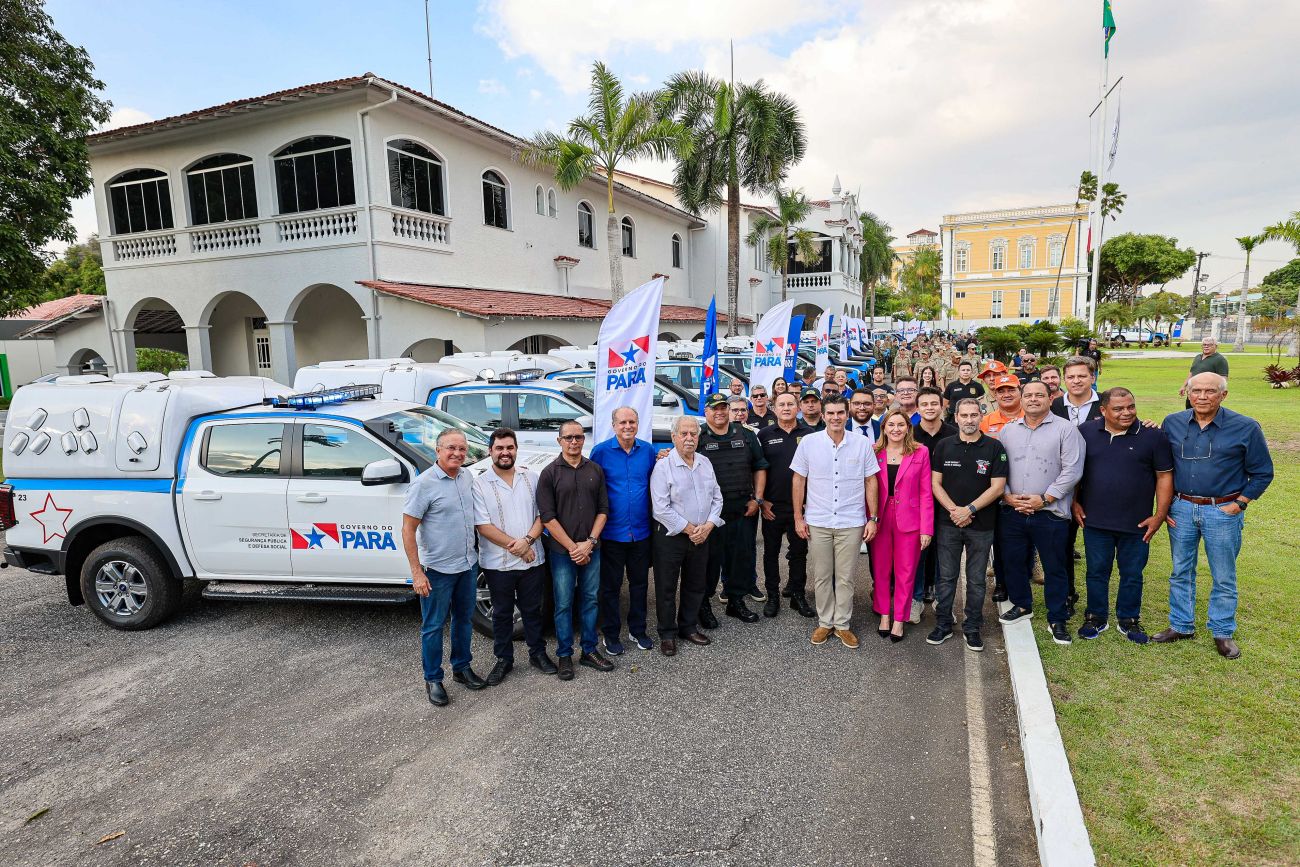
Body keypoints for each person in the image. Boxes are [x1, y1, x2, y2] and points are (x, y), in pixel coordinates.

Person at [1158, 372, 1273, 659]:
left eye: (1210, 391)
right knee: (1180, 570)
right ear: (1188, 393)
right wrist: (1165, 506)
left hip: (1222, 510)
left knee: (1223, 574)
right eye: (1196, 390)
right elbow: (1160, 465)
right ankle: (1181, 625)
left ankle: (1222, 631)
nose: (1202, 396)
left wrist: (1240, 503)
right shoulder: (1172, 423)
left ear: (1223, 395)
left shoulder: (1245, 427)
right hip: (1181, 508)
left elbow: (1263, 472)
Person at [1073, 387, 1173, 644]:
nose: (1126, 413)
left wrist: (1159, 515)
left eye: (1131, 406)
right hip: (1096, 520)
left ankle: (1128, 619)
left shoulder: (1153, 436)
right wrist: (1074, 502)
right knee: (1096, 571)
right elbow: (1074, 470)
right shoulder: (1085, 432)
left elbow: (1164, 476)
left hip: (1137, 522)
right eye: (1118, 409)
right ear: (1103, 410)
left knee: (1132, 573)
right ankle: (1096, 617)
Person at [996, 380, 1085, 645]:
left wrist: (1044, 499)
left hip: (1050, 513)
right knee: (1014, 562)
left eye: (1039, 395)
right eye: (1028, 395)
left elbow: (1073, 470)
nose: (1033, 399)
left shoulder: (1066, 430)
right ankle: (1022, 604)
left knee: (1055, 566)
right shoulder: (1008, 431)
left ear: (1050, 398)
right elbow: (999, 468)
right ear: (1021, 399)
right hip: (1013, 511)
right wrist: (1007, 496)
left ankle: (1057, 617)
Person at [792, 395, 880, 648]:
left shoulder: (862, 444)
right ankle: (825, 622)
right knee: (822, 575)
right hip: (818, 520)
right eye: (830, 413)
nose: (835, 417)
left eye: (840, 412)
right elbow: (799, 480)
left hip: (851, 520)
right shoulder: (809, 443)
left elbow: (870, 480)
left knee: (845, 577)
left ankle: (842, 624)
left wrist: (872, 518)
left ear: (847, 414)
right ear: (823, 415)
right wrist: (798, 517)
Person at [402, 429, 482, 707]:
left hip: (467, 564)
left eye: (462, 449)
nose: (457, 453)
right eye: (451, 448)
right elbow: (408, 529)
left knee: (463, 620)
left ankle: (462, 667)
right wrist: (417, 573)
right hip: (437, 570)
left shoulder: (466, 476)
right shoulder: (423, 484)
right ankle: (433, 678)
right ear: (438, 451)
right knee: (433, 626)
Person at [473, 428, 553, 687]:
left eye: (509, 447)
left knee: (533, 610)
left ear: (516, 450)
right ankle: (504, 659)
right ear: (490, 451)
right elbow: (483, 525)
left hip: (532, 558)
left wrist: (527, 541)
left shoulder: (532, 478)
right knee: (502, 613)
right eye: (499, 448)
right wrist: (517, 546)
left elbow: (543, 515)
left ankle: (537, 654)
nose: (505, 453)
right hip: (498, 563)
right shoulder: (480, 484)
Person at [928, 398, 1008, 650]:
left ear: (981, 416)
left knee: (976, 579)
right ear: (956, 417)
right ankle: (943, 624)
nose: (969, 420)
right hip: (948, 523)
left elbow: (998, 487)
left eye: (974, 415)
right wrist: (954, 510)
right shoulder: (944, 446)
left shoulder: (994, 447)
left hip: (981, 525)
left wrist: (969, 509)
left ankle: (972, 627)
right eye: (964, 415)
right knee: (946, 577)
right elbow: (935, 483)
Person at [537, 420, 614, 679]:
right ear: (559, 440)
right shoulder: (549, 474)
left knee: (591, 599)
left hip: (592, 548)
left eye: (578, 437)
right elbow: (547, 517)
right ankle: (564, 655)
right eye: (568, 437)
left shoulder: (595, 470)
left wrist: (589, 543)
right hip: (563, 552)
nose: (574, 442)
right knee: (563, 603)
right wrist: (573, 548)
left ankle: (589, 650)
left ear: (583, 440)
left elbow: (604, 509)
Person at [650, 415, 725, 656]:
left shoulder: (705, 462)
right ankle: (667, 633)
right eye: (684, 434)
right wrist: (691, 529)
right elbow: (660, 508)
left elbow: (717, 498)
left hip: (702, 535)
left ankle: (688, 627)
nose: (689, 438)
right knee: (666, 587)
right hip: (671, 537)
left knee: (695, 584)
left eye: (693, 433)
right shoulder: (663, 467)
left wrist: (709, 526)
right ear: (674, 437)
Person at [589, 407, 657, 656]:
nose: (627, 426)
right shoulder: (601, 452)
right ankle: (610, 634)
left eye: (632, 422)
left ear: (638, 424)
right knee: (611, 588)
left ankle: (637, 630)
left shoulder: (647, 451)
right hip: (611, 534)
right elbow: (592, 488)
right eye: (623, 422)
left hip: (641, 532)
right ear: (614, 425)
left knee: (639, 585)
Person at [698, 392, 769, 624]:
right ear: (706, 412)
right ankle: (703, 604)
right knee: (708, 561)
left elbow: (759, 466)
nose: (719, 412)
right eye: (714, 408)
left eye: (723, 408)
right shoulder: (697, 435)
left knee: (740, 557)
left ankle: (736, 601)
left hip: (742, 508)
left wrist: (757, 499)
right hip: (708, 512)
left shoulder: (746, 434)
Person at [870, 408, 933, 642]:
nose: (896, 429)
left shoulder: (920, 451)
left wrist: (926, 528)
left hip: (910, 520)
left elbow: (926, 493)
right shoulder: (873, 451)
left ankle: (899, 619)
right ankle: (884, 615)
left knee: (906, 572)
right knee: (881, 570)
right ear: (884, 428)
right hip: (880, 517)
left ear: (908, 428)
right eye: (891, 425)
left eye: (900, 425)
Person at [757, 392, 816, 618]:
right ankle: (772, 595)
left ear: (798, 407)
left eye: (791, 404)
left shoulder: (809, 435)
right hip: (772, 507)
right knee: (771, 553)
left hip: (800, 507)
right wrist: (761, 501)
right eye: (781, 404)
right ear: (774, 408)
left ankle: (798, 594)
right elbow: (757, 468)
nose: (786, 408)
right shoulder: (764, 435)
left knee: (799, 553)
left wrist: (810, 503)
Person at [908, 387, 956, 622]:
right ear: (917, 408)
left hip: (948, 503)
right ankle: (915, 600)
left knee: (945, 556)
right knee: (917, 555)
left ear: (942, 406)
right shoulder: (909, 434)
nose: (929, 408)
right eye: (924, 404)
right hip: (916, 506)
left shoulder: (954, 434)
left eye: (934, 403)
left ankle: (942, 602)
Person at [1180, 337, 1229, 409]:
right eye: (1204, 344)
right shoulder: (1198, 357)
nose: (1206, 346)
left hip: (1207, 393)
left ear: (1216, 346)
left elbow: (1223, 379)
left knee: (1205, 411)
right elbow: (1191, 373)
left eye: (1209, 345)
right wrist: (1184, 386)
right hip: (1194, 391)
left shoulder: (1220, 359)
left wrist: (1220, 393)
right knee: (1190, 410)